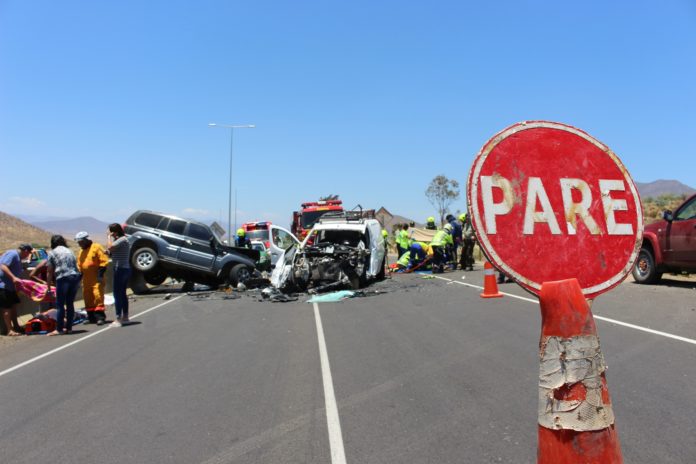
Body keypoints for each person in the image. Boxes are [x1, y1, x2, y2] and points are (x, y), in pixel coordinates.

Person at [46, 235, 81, 336]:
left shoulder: (52, 253)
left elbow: (49, 271)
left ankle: (59, 329)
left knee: (60, 304)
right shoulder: (69, 251)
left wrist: (48, 287)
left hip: (63, 277)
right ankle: (69, 328)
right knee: (70, 303)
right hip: (75, 277)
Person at [75, 231, 109, 325]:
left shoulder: (96, 247)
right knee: (87, 297)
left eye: (81, 242)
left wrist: (100, 275)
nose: (79, 244)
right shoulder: (81, 251)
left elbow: (103, 262)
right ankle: (91, 317)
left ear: (86, 240)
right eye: (78, 242)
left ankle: (100, 317)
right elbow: (80, 266)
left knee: (97, 296)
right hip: (86, 279)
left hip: (96, 278)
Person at [0, 243, 34, 336]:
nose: (28, 255)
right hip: (4, 285)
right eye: (29, 253)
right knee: (7, 308)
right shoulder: (13, 254)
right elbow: (3, 266)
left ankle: (16, 326)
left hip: (11, 286)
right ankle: (9, 330)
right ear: (25, 251)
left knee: (14, 306)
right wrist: (13, 278)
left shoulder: (18, 258)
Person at [107, 223, 131, 327]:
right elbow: (112, 251)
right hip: (125, 268)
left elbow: (110, 247)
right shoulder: (122, 240)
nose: (110, 234)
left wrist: (108, 237)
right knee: (122, 293)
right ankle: (125, 316)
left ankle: (118, 318)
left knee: (117, 294)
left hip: (120, 269)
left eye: (111, 232)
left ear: (114, 231)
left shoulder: (122, 239)